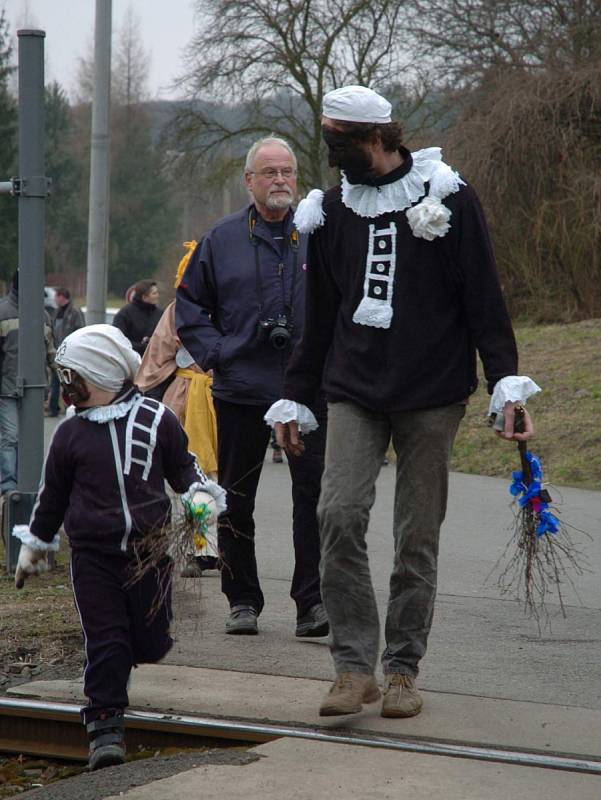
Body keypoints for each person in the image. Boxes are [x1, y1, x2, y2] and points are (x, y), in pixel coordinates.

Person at [266, 86, 539, 719]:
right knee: (337, 514)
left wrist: (506, 386)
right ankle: (352, 666)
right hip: (354, 389)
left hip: (433, 392)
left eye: (342, 147)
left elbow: (484, 300)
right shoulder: (331, 211)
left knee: (416, 534)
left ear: (379, 138)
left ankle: (402, 671)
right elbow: (321, 317)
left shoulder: (448, 194)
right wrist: (293, 400)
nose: (333, 160)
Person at [12, 324, 226, 770]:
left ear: (101, 374)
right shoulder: (70, 435)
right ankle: (105, 727)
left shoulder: (156, 420)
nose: (64, 385)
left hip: (151, 554)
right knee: (106, 638)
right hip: (93, 557)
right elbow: (51, 497)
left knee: (148, 643)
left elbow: (185, 473)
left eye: (72, 376)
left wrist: (201, 510)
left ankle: (131, 660)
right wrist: (34, 547)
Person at [176, 136, 328, 638]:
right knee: (236, 499)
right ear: (249, 181)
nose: (281, 180)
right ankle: (242, 599)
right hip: (241, 388)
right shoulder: (219, 241)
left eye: (287, 171)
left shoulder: (318, 234)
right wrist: (218, 355)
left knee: (314, 499)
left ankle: (311, 603)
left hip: (308, 388)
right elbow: (190, 310)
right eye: (270, 173)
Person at [137, 243, 219, 577]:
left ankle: (207, 547)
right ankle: (203, 546)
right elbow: (156, 356)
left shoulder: (181, 309)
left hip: (216, 397)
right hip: (193, 398)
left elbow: (155, 360)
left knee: (197, 475)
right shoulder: (178, 310)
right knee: (197, 474)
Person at [0, 271, 55, 493]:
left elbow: (51, 351)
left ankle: (26, 481)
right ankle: (8, 483)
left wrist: (62, 378)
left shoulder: (43, 316)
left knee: (29, 438)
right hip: (6, 388)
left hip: (35, 389)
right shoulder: (3, 313)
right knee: (11, 436)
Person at [48, 287, 86, 417]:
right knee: (55, 381)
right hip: (57, 352)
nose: (54, 300)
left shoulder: (75, 312)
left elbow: (80, 330)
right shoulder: (57, 312)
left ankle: (73, 406)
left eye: (56, 297)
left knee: (69, 381)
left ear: (61, 297)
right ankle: (54, 409)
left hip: (70, 353)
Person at [112, 279, 163, 355]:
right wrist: (142, 346)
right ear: (144, 297)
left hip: (156, 361)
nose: (158, 296)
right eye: (154, 293)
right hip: (131, 360)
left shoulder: (160, 313)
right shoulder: (125, 314)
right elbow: (118, 340)